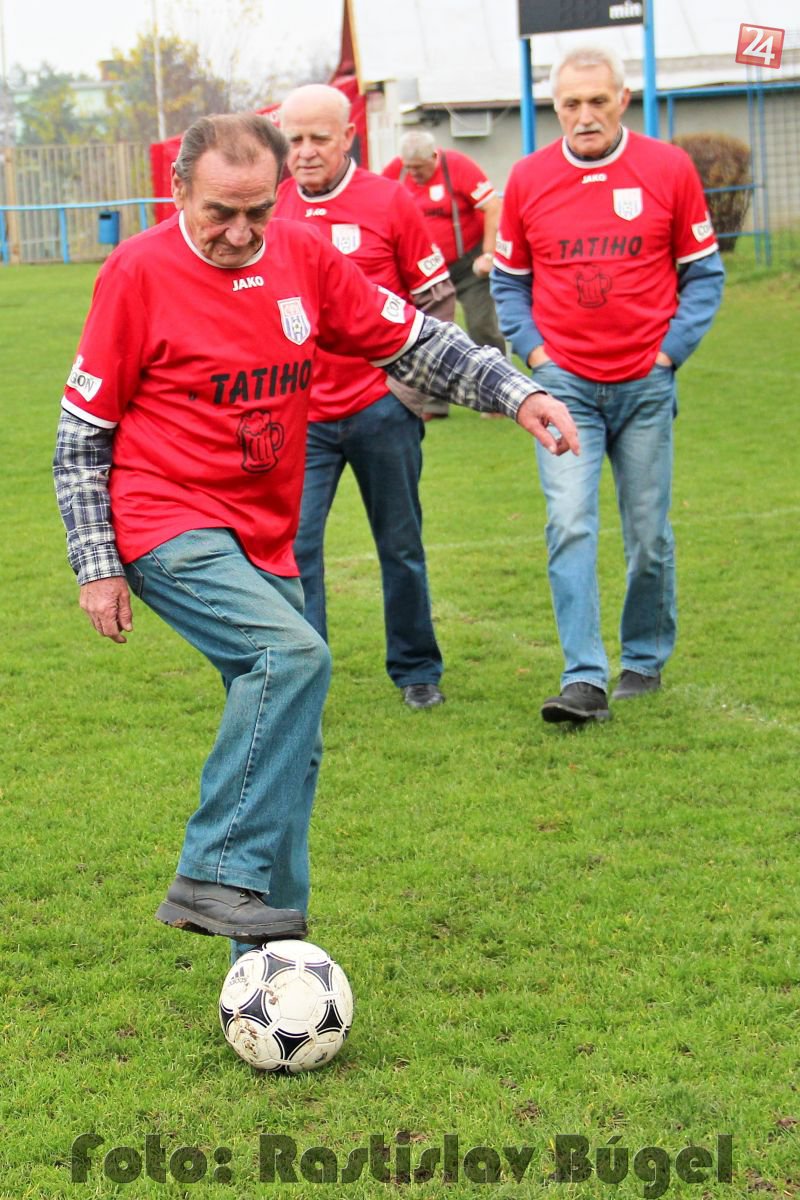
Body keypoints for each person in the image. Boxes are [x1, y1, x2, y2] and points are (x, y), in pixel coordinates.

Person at [53, 111, 579, 964]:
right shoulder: (136, 271)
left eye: (257, 210)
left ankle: (268, 961)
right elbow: (82, 433)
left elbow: (413, 337)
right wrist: (96, 564)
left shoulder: (303, 256)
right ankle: (210, 871)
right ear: (178, 191)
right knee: (291, 658)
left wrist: (516, 393)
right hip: (165, 519)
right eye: (219, 212)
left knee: (292, 745)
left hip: (265, 534)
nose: (240, 231)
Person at [491, 46, 724, 725]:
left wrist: (669, 355)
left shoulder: (669, 168)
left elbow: (704, 274)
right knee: (569, 523)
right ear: (555, 107)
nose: (585, 114)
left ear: (623, 99)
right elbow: (509, 281)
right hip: (564, 388)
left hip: (646, 386)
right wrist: (536, 354)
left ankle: (644, 658)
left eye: (598, 101)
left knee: (648, 535)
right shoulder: (529, 178)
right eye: (571, 103)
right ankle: (584, 678)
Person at [275, 84, 458, 712]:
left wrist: (406, 389)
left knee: (400, 546)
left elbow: (436, 299)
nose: (304, 152)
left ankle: (417, 669)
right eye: (293, 139)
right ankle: (304, 676)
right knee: (294, 549)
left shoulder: (390, 201)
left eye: (318, 138)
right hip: (299, 418)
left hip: (382, 410)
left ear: (349, 137)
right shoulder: (270, 209)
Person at [383, 130, 506, 418]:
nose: (414, 174)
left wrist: (489, 254)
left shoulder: (458, 167)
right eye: (409, 168)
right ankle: (433, 404)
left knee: (482, 327)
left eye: (419, 167)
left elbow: (493, 206)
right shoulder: (395, 173)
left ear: (434, 157)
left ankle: (497, 397)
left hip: (468, 265)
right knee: (425, 335)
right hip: (425, 270)